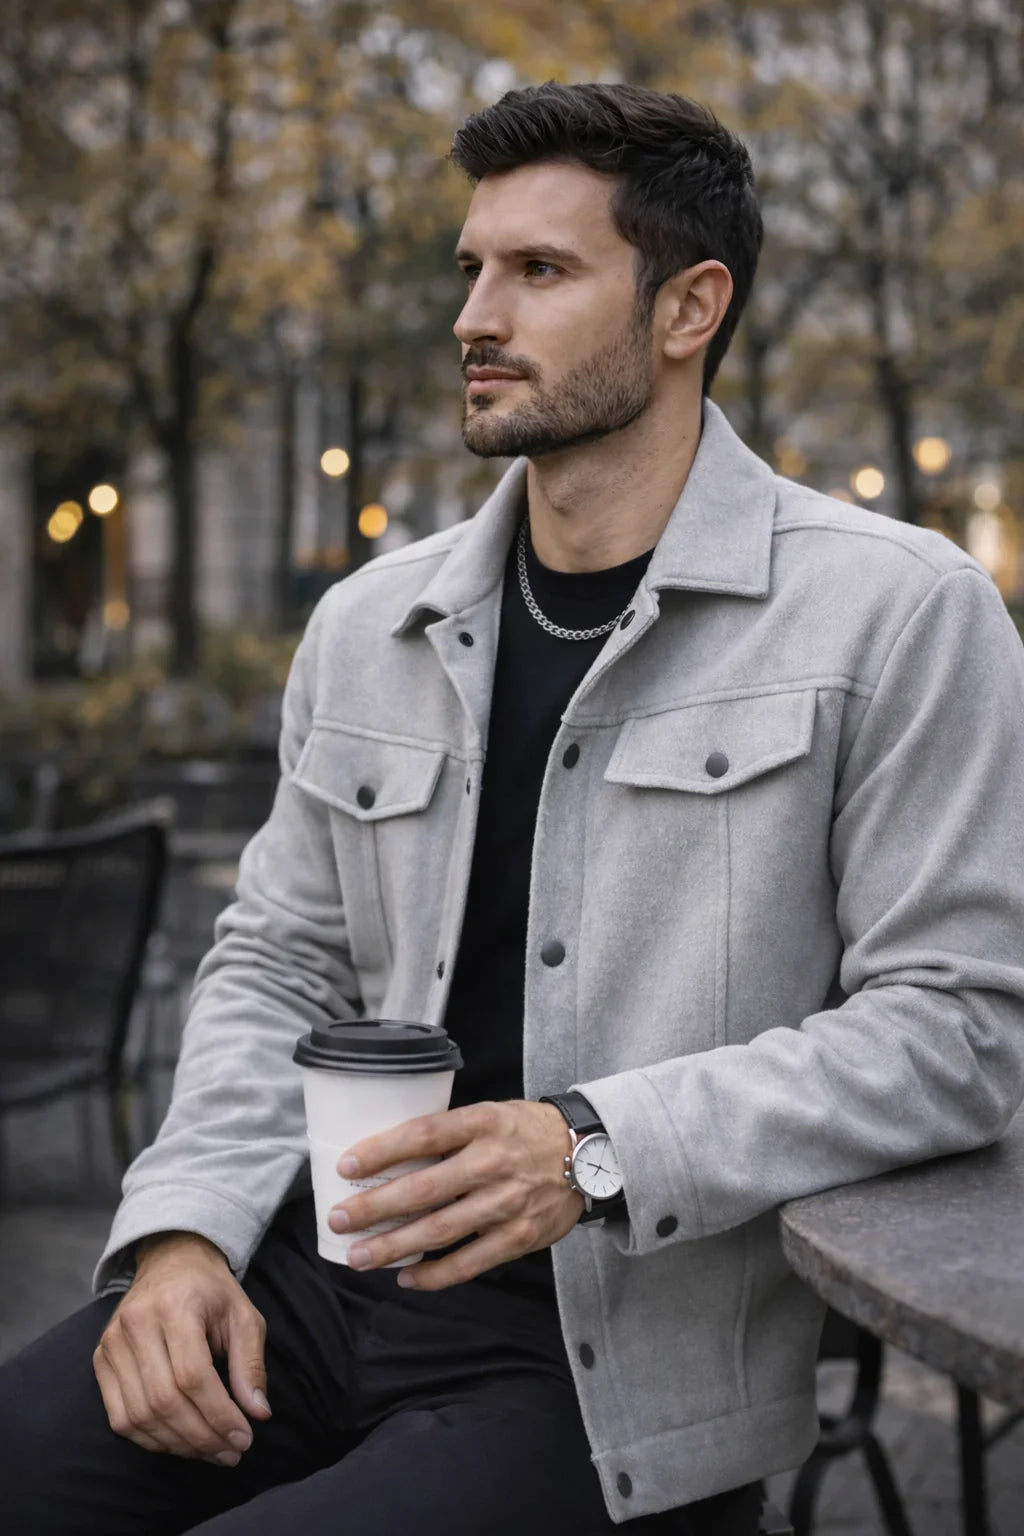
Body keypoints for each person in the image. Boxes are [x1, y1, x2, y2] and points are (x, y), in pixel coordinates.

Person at [3, 80, 1024, 1536]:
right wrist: (179, 1239)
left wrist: (596, 1144)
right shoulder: (371, 624)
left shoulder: (898, 615)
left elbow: (960, 1034)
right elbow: (274, 961)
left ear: (689, 309)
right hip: (306, 1279)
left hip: (607, 1365)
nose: (476, 315)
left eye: (539, 271)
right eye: (471, 268)